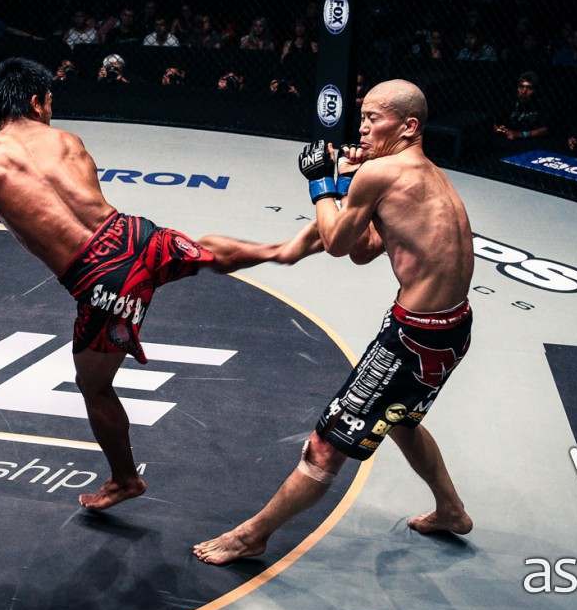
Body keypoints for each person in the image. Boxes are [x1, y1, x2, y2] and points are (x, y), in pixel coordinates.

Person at [0, 58, 320, 511]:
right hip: (135, 237)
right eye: (49, 102)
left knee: (94, 386)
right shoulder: (68, 142)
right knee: (198, 252)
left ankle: (125, 480)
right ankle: (281, 250)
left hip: (102, 282)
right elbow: (63, 203)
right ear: (36, 101)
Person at [194, 79, 475, 565]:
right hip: (451, 329)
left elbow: (341, 244)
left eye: (375, 119)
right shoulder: (417, 173)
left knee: (326, 446)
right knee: (403, 420)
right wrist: (346, 181)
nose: (363, 128)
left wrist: (322, 182)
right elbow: (367, 250)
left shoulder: (383, 172)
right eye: (362, 117)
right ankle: (451, 510)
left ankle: (253, 535)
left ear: (408, 126)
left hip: (413, 337)